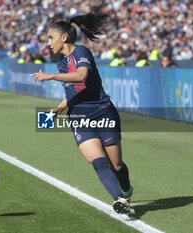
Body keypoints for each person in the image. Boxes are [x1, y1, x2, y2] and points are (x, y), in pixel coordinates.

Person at [31, 12, 134, 215]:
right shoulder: (61, 62)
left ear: (64, 37)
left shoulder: (81, 53)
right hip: (79, 118)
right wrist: (60, 107)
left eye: (51, 37)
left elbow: (82, 76)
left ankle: (126, 188)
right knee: (98, 162)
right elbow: (75, 91)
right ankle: (120, 200)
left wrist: (51, 76)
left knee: (117, 165)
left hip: (104, 113)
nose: (48, 42)